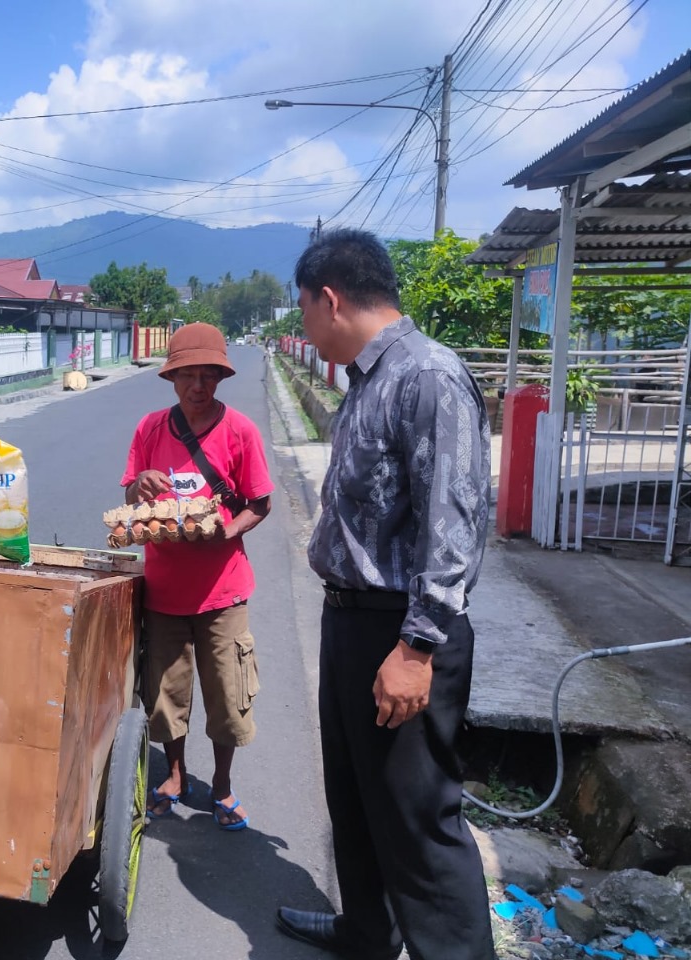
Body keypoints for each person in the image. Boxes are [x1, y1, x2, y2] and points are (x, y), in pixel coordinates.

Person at [276, 229, 494, 960]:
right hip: (352, 622)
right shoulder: (372, 379)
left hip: (401, 632)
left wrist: (416, 646)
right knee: (357, 800)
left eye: (303, 309)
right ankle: (366, 932)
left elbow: (452, 523)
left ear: (329, 299)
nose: (302, 325)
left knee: (417, 821)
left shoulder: (427, 375)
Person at [120, 323, 273, 831]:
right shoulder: (149, 429)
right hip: (163, 590)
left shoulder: (240, 432)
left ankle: (223, 785)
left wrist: (227, 532)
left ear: (221, 378)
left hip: (224, 591)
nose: (198, 386)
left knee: (228, 694)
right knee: (166, 693)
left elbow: (260, 502)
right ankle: (177, 774)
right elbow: (129, 500)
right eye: (188, 375)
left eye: (209, 376)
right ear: (173, 377)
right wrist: (139, 484)